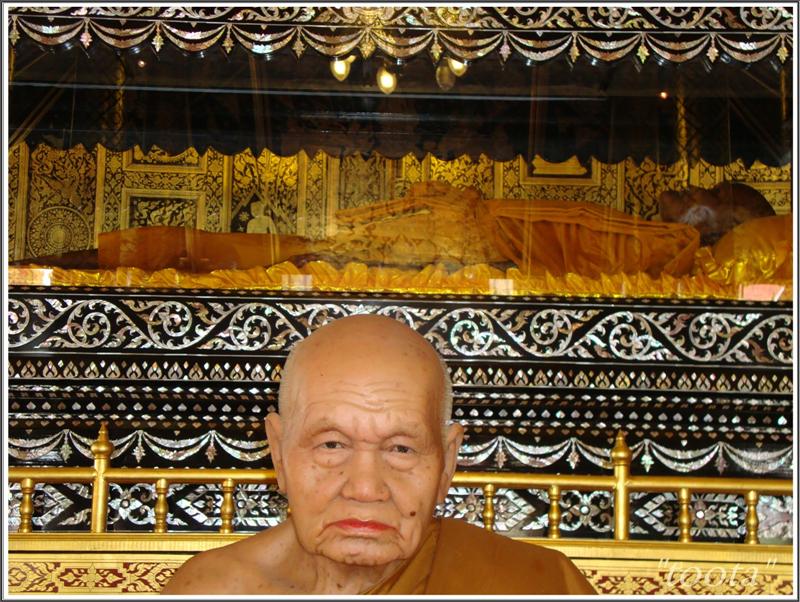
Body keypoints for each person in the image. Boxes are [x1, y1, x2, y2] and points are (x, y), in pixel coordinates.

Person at [161, 315, 596, 595]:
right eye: (332, 445)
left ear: (447, 463)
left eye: (401, 449)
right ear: (278, 453)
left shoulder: (536, 586)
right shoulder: (211, 591)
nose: (366, 489)